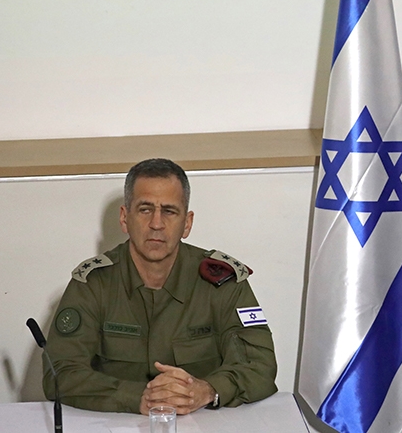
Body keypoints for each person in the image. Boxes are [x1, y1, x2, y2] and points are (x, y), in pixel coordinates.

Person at [42, 158, 277, 415]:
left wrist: (207, 390)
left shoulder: (222, 283)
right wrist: (138, 398)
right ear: (124, 218)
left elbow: (260, 365)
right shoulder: (94, 284)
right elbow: (60, 373)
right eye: (145, 209)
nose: (156, 223)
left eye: (169, 211)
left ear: (187, 223)